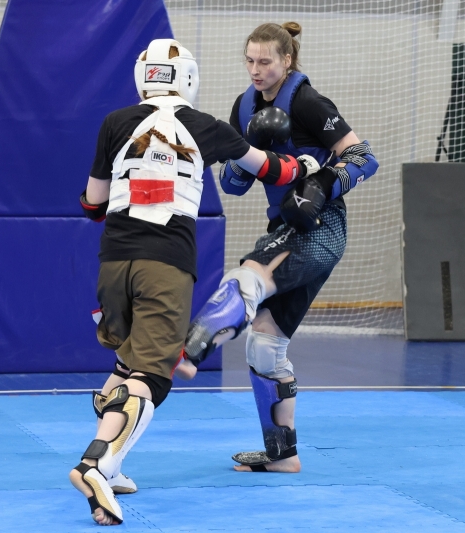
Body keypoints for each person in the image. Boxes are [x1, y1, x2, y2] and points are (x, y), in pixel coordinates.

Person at [70, 38, 319, 526]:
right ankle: (94, 464)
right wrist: (307, 166)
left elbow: (92, 203)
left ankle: (113, 466)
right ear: (187, 78)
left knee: (127, 363)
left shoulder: (115, 122)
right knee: (152, 376)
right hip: (164, 264)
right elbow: (271, 170)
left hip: (113, 262)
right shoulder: (204, 126)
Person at [183, 22, 379, 474]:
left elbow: (363, 157)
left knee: (248, 278)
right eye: (249, 61)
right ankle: (282, 456)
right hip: (286, 226)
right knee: (265, 342)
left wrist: (322, 183)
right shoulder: (244, 106)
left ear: (287, 60)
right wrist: (251, 146)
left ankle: (190, 350)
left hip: (319, 224)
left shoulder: (307, 101)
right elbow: (232, 185)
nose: (256, 70)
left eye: (265, 62)